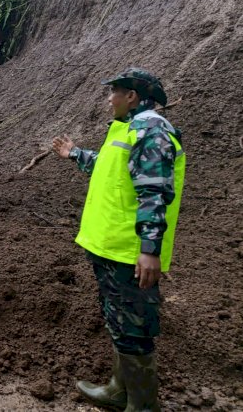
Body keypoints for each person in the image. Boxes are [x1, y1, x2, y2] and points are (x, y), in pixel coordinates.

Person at [52, 68, 186, 412]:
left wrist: (149, 250)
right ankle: (118, 391)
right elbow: (109, 168)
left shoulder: (152, 132)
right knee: (120, 324)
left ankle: (142, 407)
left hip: (130, 252)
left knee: (135, 328)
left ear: (132, 96)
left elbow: (154, 193)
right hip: (110, 247)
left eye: (114, 92)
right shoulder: (127, 130)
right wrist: (75, 154)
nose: (109, 99)